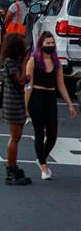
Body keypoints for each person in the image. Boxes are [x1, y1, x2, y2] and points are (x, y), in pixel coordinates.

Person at [25, 32, 78, 180]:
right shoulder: (33, 60)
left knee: (53, 134)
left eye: (52, 43)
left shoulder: (56, 63)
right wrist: (25, 106)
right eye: (47, 43)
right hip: (36, 96)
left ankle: (41, 157)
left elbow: (61, 84)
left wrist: (69, 104)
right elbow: (28, 85)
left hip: (50, 97)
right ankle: (43, 167)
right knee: (39, 133)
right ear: (41, 44)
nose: (50, 46)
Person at [0, 33, 31, 185]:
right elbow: (21, 80)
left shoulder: (12, 61)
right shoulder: (11, 62)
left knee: (16, 137)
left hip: (15, 101)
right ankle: (11, 168)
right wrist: (25, 62)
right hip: (12, 102)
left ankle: (13, 166)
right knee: (15, 137)